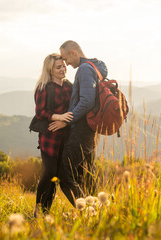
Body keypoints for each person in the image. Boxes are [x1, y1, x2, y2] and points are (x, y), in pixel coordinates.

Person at [49, 40, 108, 206]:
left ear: (73, 52)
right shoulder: (97, 66)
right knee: (86, 175)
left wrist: (66, 120)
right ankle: (98, 215)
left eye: (66, 59)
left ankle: (87, 212)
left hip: (82, 130)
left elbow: (87, 101)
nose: (66, 63)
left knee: (65, 176)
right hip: (91, 131)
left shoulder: (84, 69)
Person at [33, 53, 73, 215]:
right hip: (50, 138)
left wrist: (66, 121)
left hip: (66, 137)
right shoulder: (43, 87)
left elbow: (74, 108)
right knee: (49, 172)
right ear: (50, 70)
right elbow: (40, 112)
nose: (63, 69)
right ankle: (37, 212)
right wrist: (59, 117)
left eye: (63, 65)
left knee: (56, 176)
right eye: (58, 67)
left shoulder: (69, 86)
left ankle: (45, 212)